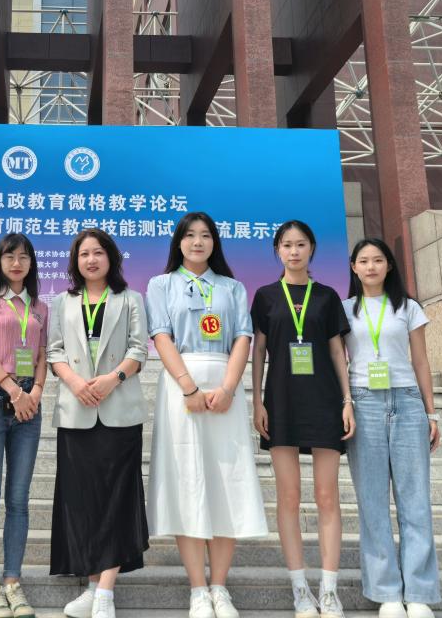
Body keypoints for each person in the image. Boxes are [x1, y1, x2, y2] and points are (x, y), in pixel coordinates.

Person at [145, 212, 268, 618]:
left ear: (215, 242)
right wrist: (188, 387)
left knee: (226, 483)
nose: (198, 242)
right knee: (187, 483)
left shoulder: (231, 287)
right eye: (190, 235)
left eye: (205, 235)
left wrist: (230, 389)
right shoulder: (161, 285)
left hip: (223, 387)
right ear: (178, 242)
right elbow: (161, 336)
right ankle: (198, 588)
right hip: (181, 387)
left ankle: (220, 586)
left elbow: (242, 337)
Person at [250, 220, 354, 618]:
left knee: (327, 497)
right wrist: (257, 401)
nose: (294, 252)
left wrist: (347, 401)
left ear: (312, 249)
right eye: (287, 245)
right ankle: (299, 588)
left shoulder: (327, 296)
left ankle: (329, 590)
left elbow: (337, 352)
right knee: (289, 496)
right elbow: (259, 352)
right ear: (277, 250)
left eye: (301, 245)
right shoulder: (265, 296)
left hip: (324, 402)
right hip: (281, 402)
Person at [47, 228, 149, 618]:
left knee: (118, 499)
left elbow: (139, 349)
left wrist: (113, 378)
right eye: (84, 254)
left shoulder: (130, 299)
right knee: (84, 501)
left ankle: (105, 591)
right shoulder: (63, 301)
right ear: (76, 261)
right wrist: (75, 382)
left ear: (111, 257)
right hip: (77, 410)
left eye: (98, 252)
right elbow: (54, 350)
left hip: (119, 409)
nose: (91, 260)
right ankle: (92, 587)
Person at [343, 238, 441, 618]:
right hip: (363, 401)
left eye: (378, 260)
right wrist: (345, 403)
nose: (371, 267)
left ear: (389, 266)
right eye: (363, 261)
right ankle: (386, 591)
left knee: (415, 500)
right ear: (354, 267)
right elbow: (338, 359)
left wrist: (432, 413)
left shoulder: (408, 307)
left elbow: (421, 361)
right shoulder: (345, 309)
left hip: (406, 401)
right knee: (372, 500)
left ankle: (418, 591)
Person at [0, 233, 47, 618]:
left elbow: (42, 354)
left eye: (23, 257)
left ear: (31, 263)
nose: (17, 263)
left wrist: (35, 393)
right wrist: (12, 390)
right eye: (9, 256)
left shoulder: (40, 307)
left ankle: (13, 581)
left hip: (29, 403)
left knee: (18, 498)